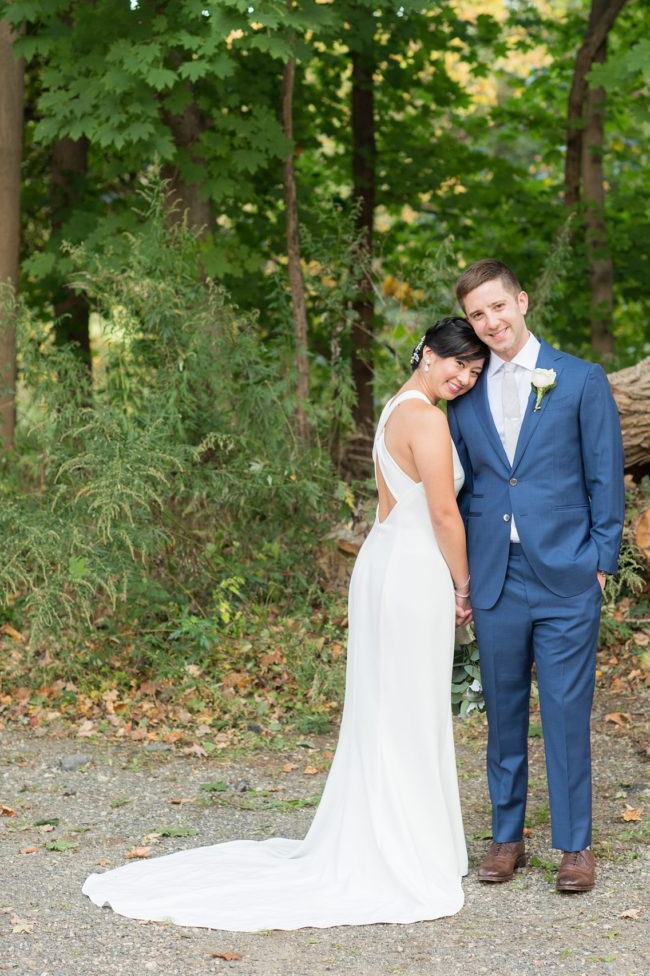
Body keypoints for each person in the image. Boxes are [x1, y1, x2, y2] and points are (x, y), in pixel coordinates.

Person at [82, 316, 489, 931]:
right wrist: (464, 586)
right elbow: (441, 513)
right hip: (412, 571)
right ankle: (401, 852)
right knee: (407, 705)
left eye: (475, 372)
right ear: (428, 352)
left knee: (390, 706)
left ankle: (398, 839)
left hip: (386, 562)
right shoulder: (427, 418)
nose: (463, 378)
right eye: (457, 363)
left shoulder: (395, 408)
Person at [447, 260, 624, 892]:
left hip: (567, 575)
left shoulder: (578, 380)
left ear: (521, 301)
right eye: (477, 314)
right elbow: (464, 487)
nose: (490, 322)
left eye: (498, 307)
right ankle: (506, 838)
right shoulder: (464, 393)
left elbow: (605, 477)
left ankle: (574, 847)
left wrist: (601, 564)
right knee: (502, 711)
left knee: (567, 711)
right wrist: (460, 576)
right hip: (497, 576)